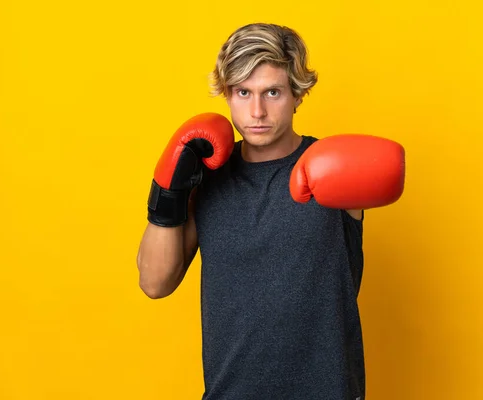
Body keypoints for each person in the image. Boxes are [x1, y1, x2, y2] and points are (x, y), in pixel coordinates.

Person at [136, 23, 405, 400]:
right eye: (243, 92)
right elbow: (154, 283)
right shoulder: (207, 177)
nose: (256, 111)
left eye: (272, 92)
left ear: (297, 94)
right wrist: (168, 192)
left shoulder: (335, 168)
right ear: (226, 95)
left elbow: (386, 166)